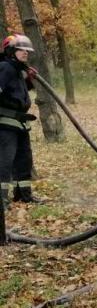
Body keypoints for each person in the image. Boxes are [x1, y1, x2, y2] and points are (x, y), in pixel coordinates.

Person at [0, 34, 39, 206]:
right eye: (21, 50)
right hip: (6, 122)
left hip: (20, 123)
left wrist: (28, 79)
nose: (25, 53)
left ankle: (23, 194)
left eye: (27, 51)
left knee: (24, 159)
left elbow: (18, 90)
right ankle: (2, 199)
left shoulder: (17, 69)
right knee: (5, 160)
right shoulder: (5, 67)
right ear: (10, 51)